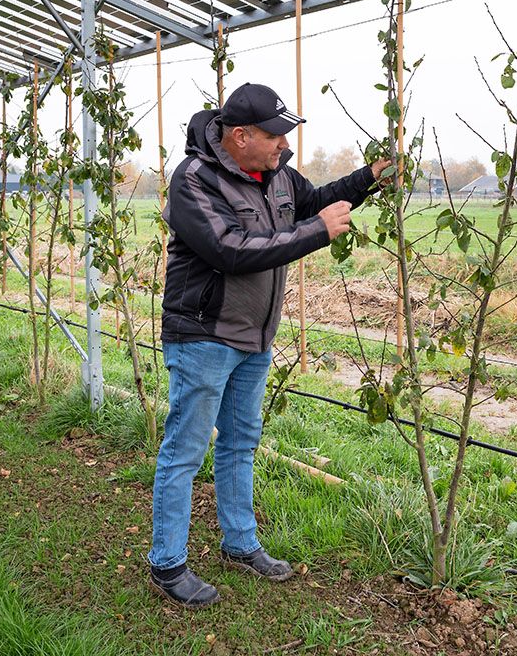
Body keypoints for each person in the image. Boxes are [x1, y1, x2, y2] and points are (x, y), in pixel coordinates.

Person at [148, 83, 390, 608]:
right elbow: (230, 250)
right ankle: (167, 564)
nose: (285, 145)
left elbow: (317, 201)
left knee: (240, 443)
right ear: (240, 136)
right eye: (276, 135)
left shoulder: (276, 175)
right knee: (185, 450)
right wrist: (317, 234)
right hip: (204, 336)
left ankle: (240, 543)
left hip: (255, 337)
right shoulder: (195, 180)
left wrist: (369, 178)